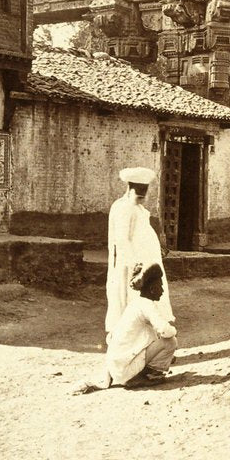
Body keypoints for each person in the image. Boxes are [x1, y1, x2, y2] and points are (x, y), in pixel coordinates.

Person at [74, 263, 177, 394]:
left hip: (116, 367)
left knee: (159, 337)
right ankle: (143, 377)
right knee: (170, 341)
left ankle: (139, 372)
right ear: (152, 289)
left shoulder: (135, 304)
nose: (162, 291)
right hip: (125, 370)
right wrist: (174, 332)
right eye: (160, 286)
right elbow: (165, 330)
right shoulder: (147, 305)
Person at [105, 167, 174, 342]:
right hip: (132, 267)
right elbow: (122, 240)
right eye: (139, 190)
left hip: (146, 264)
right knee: (132, 302)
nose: (142, 194)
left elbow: (141, 234)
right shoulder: (123, 207)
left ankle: (148, 343)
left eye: (145, 190)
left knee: (150, 303)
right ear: (129, 187)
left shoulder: (139, 209)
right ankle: (130, 345)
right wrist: (135, 266)